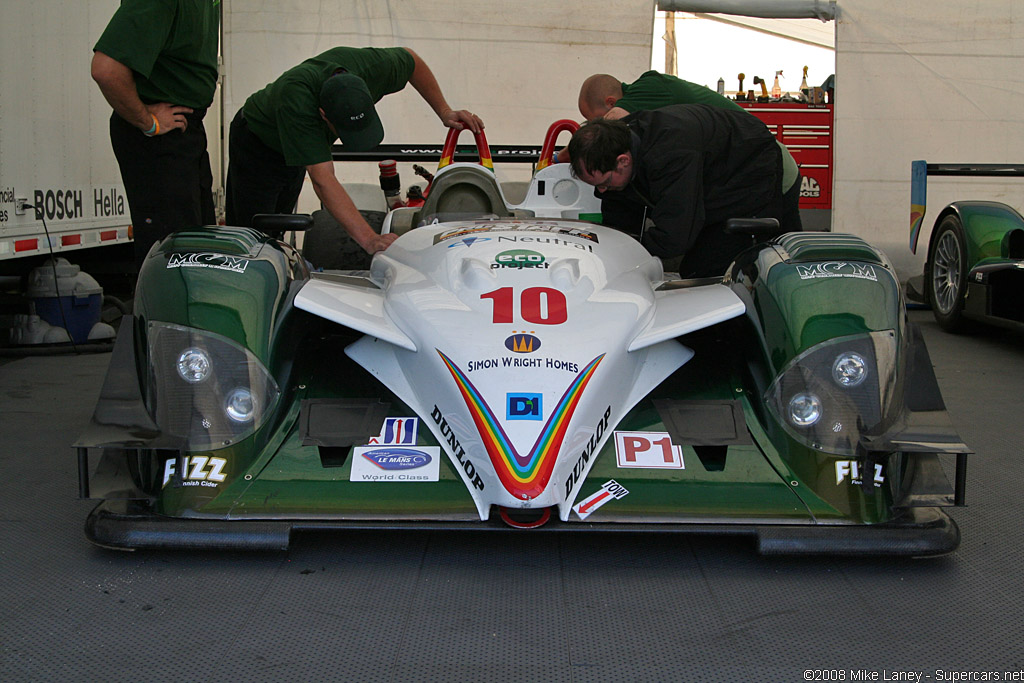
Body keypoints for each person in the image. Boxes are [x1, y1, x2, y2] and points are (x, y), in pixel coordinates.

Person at [226, 46, 483, 255]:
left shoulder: (373, 69)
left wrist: (444, 111)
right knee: (254, 236)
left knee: (278, 226)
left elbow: (412, 61)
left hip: (295, 135)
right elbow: (323, 180)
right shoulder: (297, 103)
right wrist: (371, 240)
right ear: (323, 116)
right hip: (259, 144)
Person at [565, 72, 802, 232]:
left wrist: (559, 157)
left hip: (764, 163)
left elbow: (604, 128)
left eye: (594, 119)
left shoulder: (648, 91)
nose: (595, 126)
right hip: (724, 165)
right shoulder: (641, 121)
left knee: (780, 252)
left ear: (610, 102)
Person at [567, 106, 788, 278]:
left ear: (623, 161)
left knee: (707, 269)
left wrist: (632, 249)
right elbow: (619, 218)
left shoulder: (669, 155)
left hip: (750, 162)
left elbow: (675, 236)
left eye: (604, 182)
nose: (602, 190)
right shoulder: (614, 144)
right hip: (707, 161)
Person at [91, 0, 220, 272]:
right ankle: (165, 314)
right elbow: (106, 69)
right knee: (173, 257)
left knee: (198, 248)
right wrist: (147, 121)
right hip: (160, 138)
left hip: (186, 131)